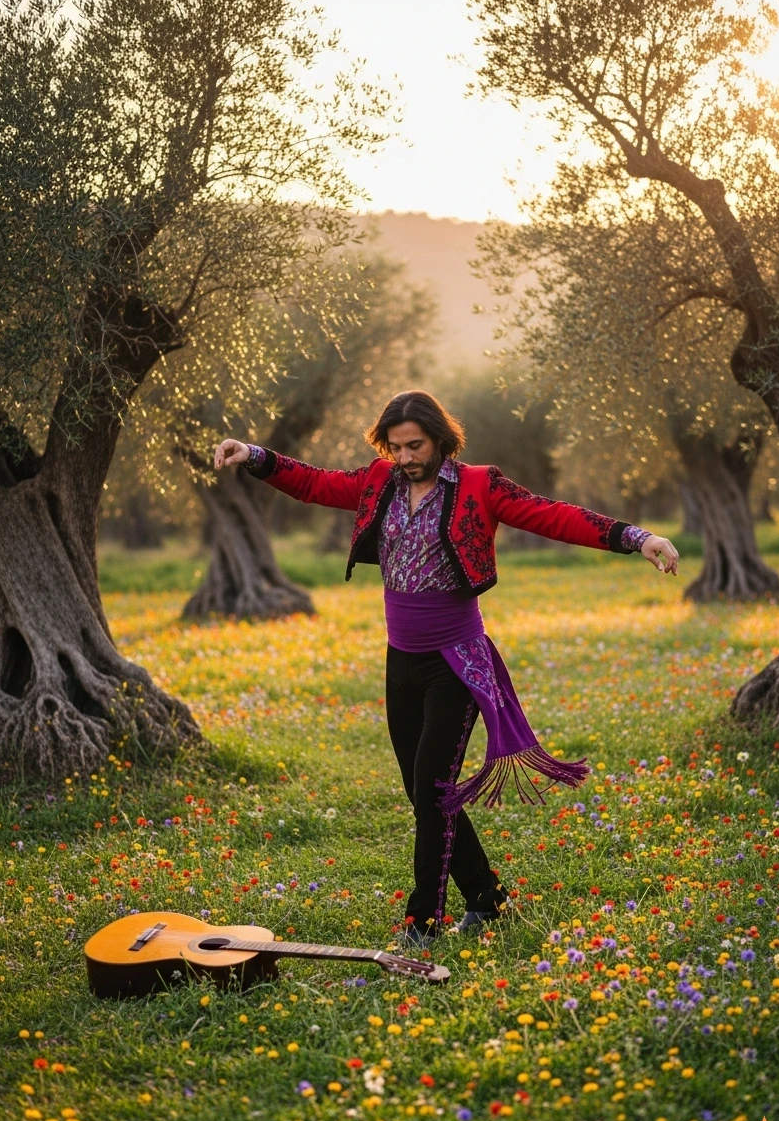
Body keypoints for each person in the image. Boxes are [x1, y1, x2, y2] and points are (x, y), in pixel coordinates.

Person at [214, 390, 678, 950]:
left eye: (416, 445)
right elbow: (313, 483)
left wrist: (637, 537)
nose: (406, 456)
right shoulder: (377, 484)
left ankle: (423, 921)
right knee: (422, 790)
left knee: (433, 790)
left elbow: (553, 516)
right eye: (396, 447)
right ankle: (488, 899)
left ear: (441, 439)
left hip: (455, 663)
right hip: (400, 661)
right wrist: (254, 455)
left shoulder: (480, 485)